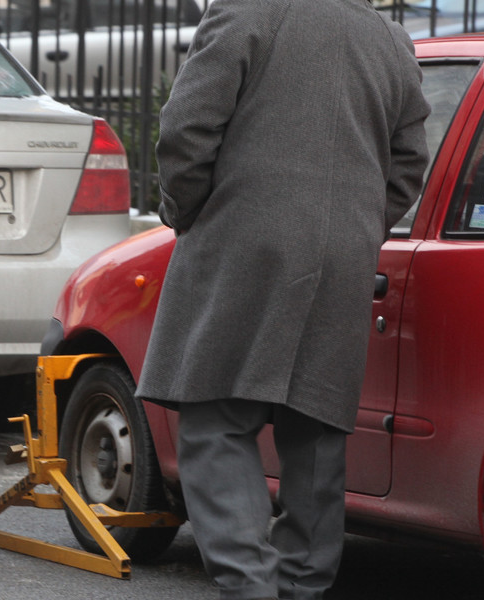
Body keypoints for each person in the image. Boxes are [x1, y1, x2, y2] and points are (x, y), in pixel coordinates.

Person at [136, 0, 430, 598]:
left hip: (246, 239)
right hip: (343, 254)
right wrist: (357, 228)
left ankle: (250, 586)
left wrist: (186, 212)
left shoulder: (247, 11)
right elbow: (408, 165)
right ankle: (302, 585)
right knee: (315, 426)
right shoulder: (388, 36)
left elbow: (187, 128)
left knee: (217, 420)